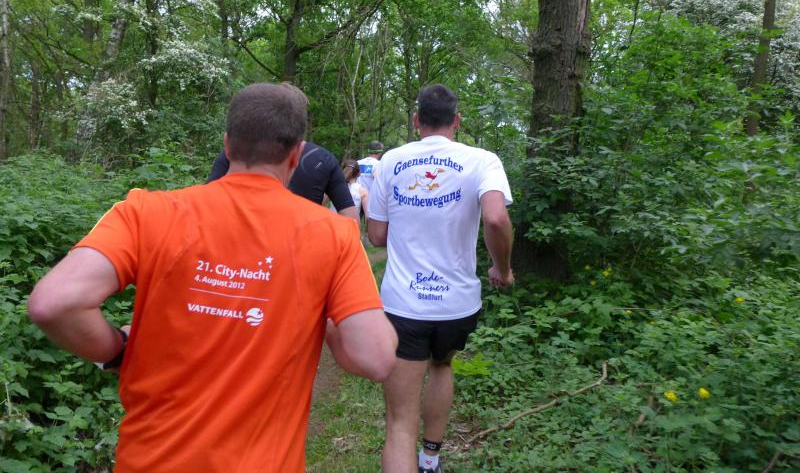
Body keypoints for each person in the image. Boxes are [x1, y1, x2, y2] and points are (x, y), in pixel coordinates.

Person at [28, 82, 398, 472]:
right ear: (296, 154)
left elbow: (55, 303)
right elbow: (375, 358)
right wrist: (322, 313)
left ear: (227, 145)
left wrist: (117, 350)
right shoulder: (332, 235)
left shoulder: (145, 212)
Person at [367, 84, 514, 473]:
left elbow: (377, 236)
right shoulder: (482, 160)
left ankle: (411, 449)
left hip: (404, 304)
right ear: (457, 121)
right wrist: (501, 269)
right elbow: (496, 217)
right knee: (442, 366)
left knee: (400, 424)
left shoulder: (391, 160)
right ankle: (430, 458)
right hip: (456, 305)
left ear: (417, 120)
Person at [207, 141, 359, 222]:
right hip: (300, 245)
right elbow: (351, 219)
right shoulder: (323, 158)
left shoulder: (240, 150)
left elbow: (208, 202)